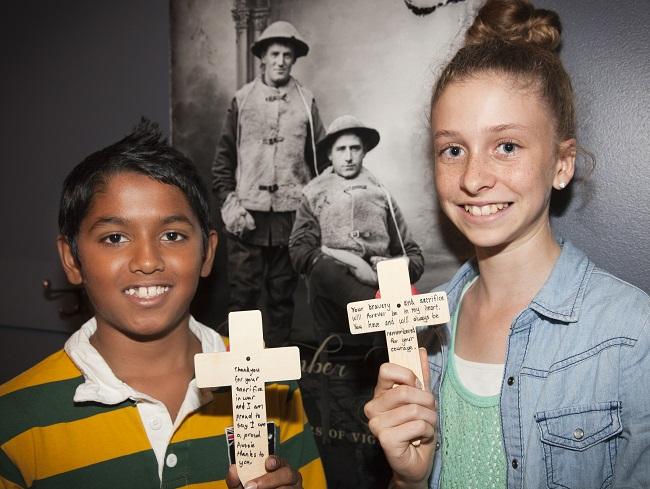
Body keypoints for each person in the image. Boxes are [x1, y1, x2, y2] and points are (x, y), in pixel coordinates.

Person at [364, 1, 650, 488]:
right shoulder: (425, 332)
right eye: (453, 150)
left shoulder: (630, 334)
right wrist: (409, 477)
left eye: (507, 146)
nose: (474, 178)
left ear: (562, 164)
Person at [0, 120, 326, 489]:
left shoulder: (273, 385)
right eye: (114, 237)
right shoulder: (13, 421)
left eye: (172, 235)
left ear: (207, 253)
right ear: (72, 260)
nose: (147, 260)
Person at [212, 21, 326, 348]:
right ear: (262, 56)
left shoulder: (306, 101)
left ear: (294, 60)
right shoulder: (242, 100)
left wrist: (313, 209)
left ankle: (280, 372)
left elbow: (320, 162)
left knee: (282, 294)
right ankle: (241, 373)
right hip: (247, 215)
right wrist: (231, 204)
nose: (280, 61)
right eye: (274, 53)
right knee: (243, 295)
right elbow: (222, 162)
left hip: (290, 215)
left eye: (287, 55)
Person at [289, 115, 424, 339]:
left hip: (379, 281)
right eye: (341, 149)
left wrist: (390, 267)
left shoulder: (381, 194)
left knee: (396, 274)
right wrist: (350, 261)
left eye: (355, 148)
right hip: (333, 292)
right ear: (330, 154)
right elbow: (299, 252)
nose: (349, 157)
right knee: (322, 269)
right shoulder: (313, 193)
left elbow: (415, 257)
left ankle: (383, 309)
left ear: (364, 151)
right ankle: (384, 310)